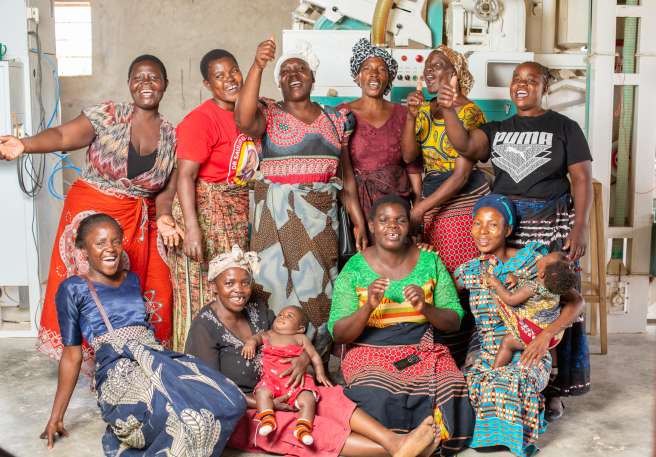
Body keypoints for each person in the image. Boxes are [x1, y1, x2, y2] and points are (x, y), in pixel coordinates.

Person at [0, 55, 180, 375]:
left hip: (137, 221)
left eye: (154, 78)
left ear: (165, 84)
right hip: (92, 214)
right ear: (129, 84)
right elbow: (61, 136)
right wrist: (24, 145)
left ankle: (131, 352)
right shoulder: (109, 115)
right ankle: (88, 358)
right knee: (88, 289)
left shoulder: (171, 135)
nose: (146, 84)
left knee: (140, 287)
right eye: (138, 78)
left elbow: (167, 186)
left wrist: (165, 215)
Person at [439, 60, 593, 419]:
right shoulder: (499, 129)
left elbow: (582, 180)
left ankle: (552, 387)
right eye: (517, 80)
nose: (522, 85)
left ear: (545, 86)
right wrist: (448, 109)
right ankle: (507, 375)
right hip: (509, 223)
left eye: (531, 80)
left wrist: (579, 227)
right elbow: (466, 145)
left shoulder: (564, 127)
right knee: (507, 307)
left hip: (549, 223)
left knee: (548, 305)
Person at [185, 245, 440, 457]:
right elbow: (211, 389)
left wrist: (304, 358)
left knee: (330, 398)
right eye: (229, 283)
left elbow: (294, 336)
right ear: (214, 287)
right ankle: (397, 448)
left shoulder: (256, 308)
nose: (239, 290)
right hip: (243, 408)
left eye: (245, 283)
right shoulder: (205, 326)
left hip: (285, 386)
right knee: (305, 427)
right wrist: (267, 403)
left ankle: (394, 440)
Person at [40, 213, 245, 455]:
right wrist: (56, 416)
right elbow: (72, 356)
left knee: (229, 398)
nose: (111, 249)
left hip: (154, 356)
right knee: (176, 415)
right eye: (100, 243)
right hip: (118, 372)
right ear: (83, 250)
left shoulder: (132, 279)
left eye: (116, 241)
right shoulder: (73, 288)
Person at [234, 37, 366, 350]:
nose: (294, 74)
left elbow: (346, 178)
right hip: (273, 221)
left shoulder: (337, 119)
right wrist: (258, 65)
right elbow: (242, 119)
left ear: (312, 76)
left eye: (301, 69)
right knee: (270, 286)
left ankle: (312, 359)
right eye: (286, 71)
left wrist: (358, 220)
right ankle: (273, 362)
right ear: (278, 81)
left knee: (319, 290)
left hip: (321, 219)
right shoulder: (268, 113)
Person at [329, 195, 475, 456]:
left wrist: (425, 308)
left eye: (400, 220)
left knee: (451, 386)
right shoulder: (354, 267)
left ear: (410, 225)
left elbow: (454, 321)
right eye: (383, 220)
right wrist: (367, 307)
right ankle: (413, 443)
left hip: (422, 347)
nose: (392, 226)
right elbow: (340, 333)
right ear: (371, 226)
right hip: (368, 349)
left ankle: (417, 441)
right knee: (373, 393)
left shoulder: (430, 262)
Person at [454, 194, 584, 457]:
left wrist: (546, 335)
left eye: (492, 224)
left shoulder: (534, 262)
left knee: (515, 379)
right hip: (490, 351)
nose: (483, 232)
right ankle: (491, 435)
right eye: (477, 224)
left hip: (530, 348)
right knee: (473, 383)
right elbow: (443, 300)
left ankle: (514, 439)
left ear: (508, 229)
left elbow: (576, 302)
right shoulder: (468, 271)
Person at [168, 49, 258, 351]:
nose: (230, 80)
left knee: (234, 290)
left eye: (233, 71)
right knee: (201, 291)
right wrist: (193, 229)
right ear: (208, 84)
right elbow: (185, 176)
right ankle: (191, 364)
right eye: (219, 76)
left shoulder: (251, 112)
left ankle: (229, 365)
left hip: (236, 210)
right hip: (205, 213)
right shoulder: (201, 120)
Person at [404, 45, 489, 274]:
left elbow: (461, 176)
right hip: (431, 193)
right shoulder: (424, 108)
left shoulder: (469, 112)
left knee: (457, 273)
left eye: (437, 66)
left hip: (462, 196)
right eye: (427, 67)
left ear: (454, 75)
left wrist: (419, 209)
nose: (428, 72)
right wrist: (410, 119)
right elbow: (408, 156)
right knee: (433, 270)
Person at [338, 38, 422, 234]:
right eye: (367, 68)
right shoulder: (342, 113)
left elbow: (412, 164)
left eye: (382, 69)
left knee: (396, 260)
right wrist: (355, 218)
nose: (374, 74)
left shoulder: (403, 114)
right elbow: (340, 172)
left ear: (389, 79)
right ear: (357, 76)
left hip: (395, 207)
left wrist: (417, 208)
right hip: (356, 205)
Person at [242, 305, 332, 445]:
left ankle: (303, 428)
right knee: (261, 392)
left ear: (300, 328)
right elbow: (256, 338)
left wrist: (320, 373)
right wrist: (250, 343)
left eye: (289, 316)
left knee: (308, 399)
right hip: (271, 381)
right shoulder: (269, 334)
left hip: (297, 382)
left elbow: (314, 355)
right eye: (281, 314)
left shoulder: (300, 338)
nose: (282, 317)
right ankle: (267, 419)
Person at [483, 251, 578, 368]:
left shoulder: (531, 288)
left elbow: (511, 299)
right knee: (550, 322)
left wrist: (497, 285)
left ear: (541, 274)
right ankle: (554, 367)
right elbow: (531, 282)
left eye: (545, 258)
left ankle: (495, 370)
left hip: (532, 333)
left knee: (507, 343)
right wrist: (517, 280)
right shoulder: (556, 289)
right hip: (553, 334)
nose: (540, 257)